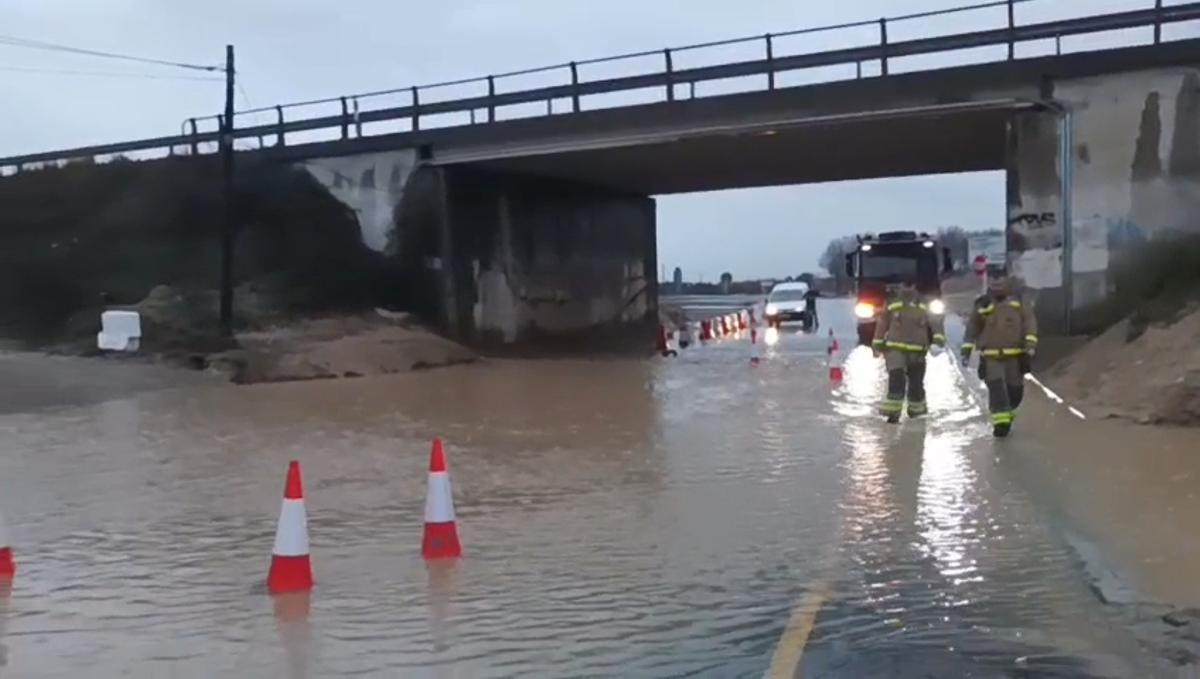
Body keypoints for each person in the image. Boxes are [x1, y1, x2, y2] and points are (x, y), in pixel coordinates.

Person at [961, 275, 1038, 438]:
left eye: (1000, 283)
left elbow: (1029, 322)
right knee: (997, 390)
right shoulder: (982, 304)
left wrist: (1029, 345)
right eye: (993, 283)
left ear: (1007, 283)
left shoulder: (1019, 302)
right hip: (991, 357)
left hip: (1014, 357)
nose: (997, 286)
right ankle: (1001, 424)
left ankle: (1007, 412)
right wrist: (966, 350)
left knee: (1015, 394)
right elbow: (972, 327)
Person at [872, 282, 946, 423]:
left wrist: (938, 340)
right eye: (904, 285)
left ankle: (916, 413)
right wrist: (877, 343)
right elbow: (882, 323)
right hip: (895, 349)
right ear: (900, 287)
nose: (907, 288)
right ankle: (893, 413)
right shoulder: (893, 303)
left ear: (915, 286)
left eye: (910, 285)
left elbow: (936, 322)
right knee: (896, 378)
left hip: (918, 351)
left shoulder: (924, 303)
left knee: (916, 383)